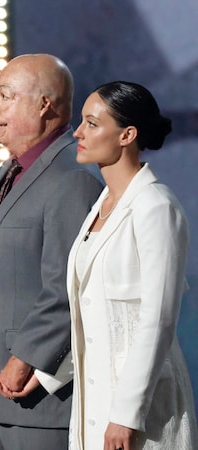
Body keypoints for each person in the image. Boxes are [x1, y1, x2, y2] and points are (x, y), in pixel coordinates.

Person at [0, 53, 103, 449]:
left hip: (35, 397)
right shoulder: (9, 171)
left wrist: (27, 358)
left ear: (43, 104)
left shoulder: (73, 179)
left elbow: (67, 288)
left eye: (5, 95)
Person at [67, 81, 198, 450]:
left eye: (92, 123)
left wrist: (125, 414)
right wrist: (48, 375)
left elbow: (158, 317)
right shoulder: (101, 206)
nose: (78, 132)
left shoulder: (156, 207)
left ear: (127, 134)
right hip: (92, 402)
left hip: (140, 411)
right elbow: (90, 315)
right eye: (81, 122)